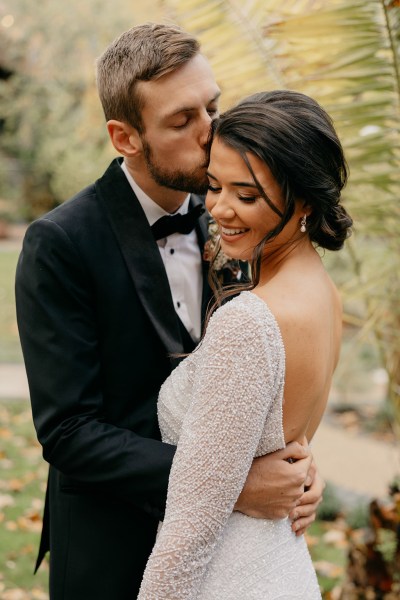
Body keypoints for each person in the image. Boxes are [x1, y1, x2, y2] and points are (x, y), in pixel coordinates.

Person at [15, 24, 323, 600]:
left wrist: (300, 469)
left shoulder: (235, 220)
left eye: (213, 107)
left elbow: (255, 374)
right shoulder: (60, 242)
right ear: (124, 136)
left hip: (223, 555)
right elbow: (69, 433)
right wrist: (228, 484)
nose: (212, 134)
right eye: (182, 121)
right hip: (111, 543)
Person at [137, 89, 353, 599]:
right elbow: (288, 440)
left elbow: (188, 536)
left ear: (303, 199)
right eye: (214, 186)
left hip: (225, 578)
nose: (219, 209)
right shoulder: (325, 296)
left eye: (247, 195)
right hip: (281, 568)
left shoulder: (250, 323)